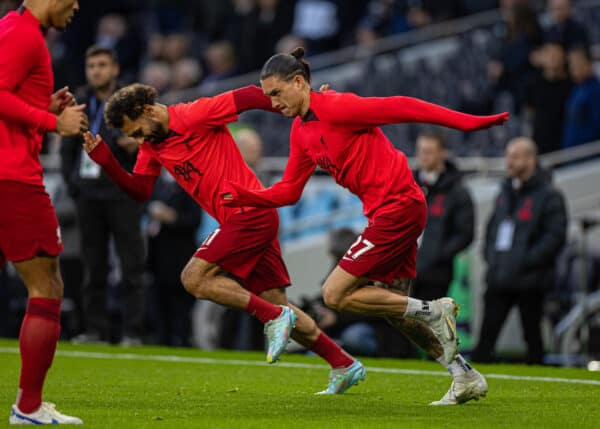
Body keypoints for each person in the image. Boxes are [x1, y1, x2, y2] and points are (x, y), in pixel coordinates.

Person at [221, 47, 508, 404]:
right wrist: (247, 196)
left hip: (399, 207)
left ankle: (434, 310)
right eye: (268, 97)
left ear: (298, 82)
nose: (273, 103)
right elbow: (290, 191)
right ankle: (463, 374)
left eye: (277, 93)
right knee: (395, 311)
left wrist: (469, 122)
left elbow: (403, 106)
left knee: (334, 293)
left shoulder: (337, 106)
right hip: (387, 213)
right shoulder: (300, 132)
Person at [81, 82, 365, 395]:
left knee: (194, 279)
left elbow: (250, 96)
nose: (137, 140)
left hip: (249, 212)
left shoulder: (195, 113)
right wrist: (106, 160)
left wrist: (310, 106)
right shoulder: (153, 147)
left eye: (136, 131)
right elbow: (140, 191)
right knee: (276, 302)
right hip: (247, 219)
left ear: (148, 111)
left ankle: (274, 318)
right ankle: (343, 363)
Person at [0, 0, 88, 424]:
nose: (76, 5)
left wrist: (43, 108)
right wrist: (54, 123)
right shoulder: (23, 35)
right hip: (12, 179)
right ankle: (29, 407)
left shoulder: (13, 28)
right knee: (47, 287)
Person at [61, 45, 146, 346]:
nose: (96, 70)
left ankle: (133, 332)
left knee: (131, 265)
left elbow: (151, 138)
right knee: (93, 265)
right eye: (92, 66)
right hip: (89, 194)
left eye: (102, 65)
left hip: (122, 193)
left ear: (115, 69)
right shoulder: (80, 103)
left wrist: (138, 144)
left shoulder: (130, 102)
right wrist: (75, 186)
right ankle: (95, 330)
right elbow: (66, 147)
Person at [473, 137, 567, 365]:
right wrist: (492, 259)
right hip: (499, 276)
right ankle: (471, 381)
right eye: (508, 156)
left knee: (532, 337)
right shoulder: (504, 193)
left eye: (514, 156)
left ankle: (541, 386)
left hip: (530, 280)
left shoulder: (549, 196)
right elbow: (492, 229)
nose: (509, 162)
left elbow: (555, 236)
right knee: (486, 338)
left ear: (530, 159)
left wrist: (526, 260)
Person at [413, 131, 475, 301]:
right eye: (421, 151)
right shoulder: (408, 184)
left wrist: (437, 255)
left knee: (427, 325)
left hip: (436, 275)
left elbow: (465, 233)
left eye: (429, 151)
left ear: (442, 154)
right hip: (403, 272)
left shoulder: (457, 191)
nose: (423, 156)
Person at [561, 45, 600, 149]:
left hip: (587, 154)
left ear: (589, 64)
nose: (573, 69)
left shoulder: (595, 91)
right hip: (572, 152)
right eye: (571, 65)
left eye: (578, 64)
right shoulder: (576, 88)